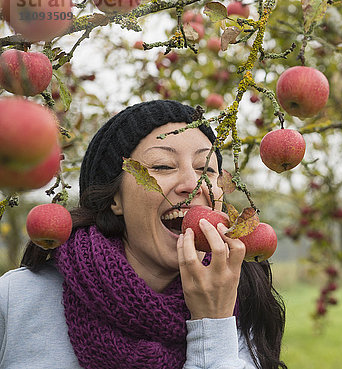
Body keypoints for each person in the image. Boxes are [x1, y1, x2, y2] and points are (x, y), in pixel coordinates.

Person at [0, 99, 287, 369]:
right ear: (115, 199)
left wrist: (213, 323)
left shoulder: (241, 305)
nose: (192, 183)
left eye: (205, 169)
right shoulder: (17, 301)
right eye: (162, 166)